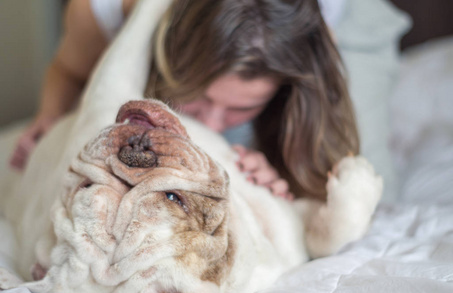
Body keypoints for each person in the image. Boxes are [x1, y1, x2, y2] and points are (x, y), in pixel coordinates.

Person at [9, 0, 359, 202]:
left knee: (348, 187)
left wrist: (281, 178)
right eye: (197, 96)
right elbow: (69, 70)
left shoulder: (314, 30)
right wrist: (49, 114)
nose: (211, 123)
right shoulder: (103, 7)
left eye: (242, 108)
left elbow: (317, 166)